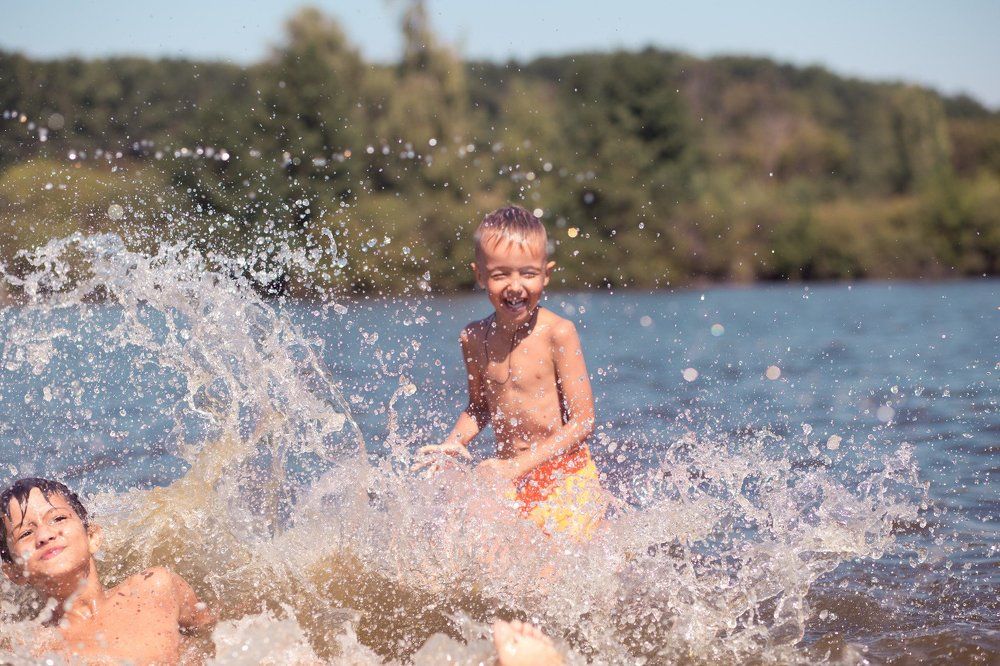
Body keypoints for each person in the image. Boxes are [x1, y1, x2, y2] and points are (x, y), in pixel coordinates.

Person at [417, 205, 608, 539]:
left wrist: (517, 466)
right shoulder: (473, 338)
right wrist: (452, 444)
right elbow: (479, 407)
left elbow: (584, 421)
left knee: (553, 576)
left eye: (528, 274)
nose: (515, 286)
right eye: (500, 274)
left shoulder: (558, 333)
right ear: (479, 275)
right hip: (512, 479)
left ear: (546, 274)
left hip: (565, 478)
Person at [0, 477, 215, 664]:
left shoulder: (156, 588)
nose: (45, 535)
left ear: (92, 537)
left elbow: (215, 635)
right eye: (26, 533)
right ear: (14, 572)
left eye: (58, 518)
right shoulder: (28, 650)